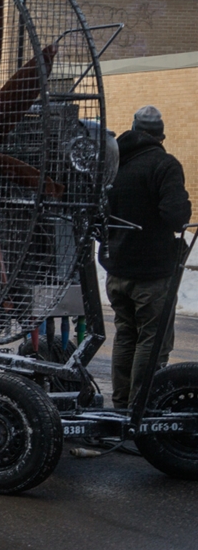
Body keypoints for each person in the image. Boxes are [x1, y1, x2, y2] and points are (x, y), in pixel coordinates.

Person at [99, 105, 191, 409]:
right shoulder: (164, 165)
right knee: (152, 342)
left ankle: (123, 404)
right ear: (159, 136)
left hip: (117, 271)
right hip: (152, 275)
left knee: (125, 335)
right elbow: (176, 216)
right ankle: (142, 409)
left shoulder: (113, 163)